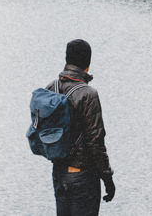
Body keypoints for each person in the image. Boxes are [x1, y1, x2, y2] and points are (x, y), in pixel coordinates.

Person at [47, 38, 115, 213]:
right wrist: (107, 178)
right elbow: (95, 141)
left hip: (59, 173)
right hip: (83, 178)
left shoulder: (51, 88)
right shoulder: (88, 94)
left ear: (67, 60)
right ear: (88, 63)